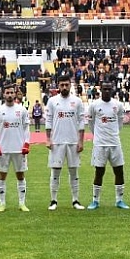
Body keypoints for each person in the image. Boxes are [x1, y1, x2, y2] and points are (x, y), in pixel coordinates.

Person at [86, 82, 129, 210]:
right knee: (99, 171)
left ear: (112, 90)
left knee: (119, 171)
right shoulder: (94, 105)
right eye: (104, 89)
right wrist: (98, 136)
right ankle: (95, 201)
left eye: (109, 89)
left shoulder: (118, 105)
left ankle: (119, 200)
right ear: (101, 90)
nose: (106, 91)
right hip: (100, 144)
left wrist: (114, 133)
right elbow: (91, 123)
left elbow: (120, 122)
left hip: (115, 143)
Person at [45, 74, 86, 210]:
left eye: (66, 85)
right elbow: (49, 120)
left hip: (73, 141)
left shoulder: (77, 101)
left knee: (73, 172)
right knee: (55, 171)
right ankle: (53, 201)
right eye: (61, 85)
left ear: (70, 85)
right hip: (57, 141)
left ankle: (75, 200)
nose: (64, 87)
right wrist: (48, 139)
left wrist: (81, 141)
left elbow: (81, 122)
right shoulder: (52, 101)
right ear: (58, 86)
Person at [0, 84, 31, 212]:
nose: (9, 95)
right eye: (7, 93)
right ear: (3, 94)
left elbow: (26, 128)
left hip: (19, 149)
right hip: (3, 149)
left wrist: (26, 143)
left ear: (15, 94)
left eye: (11, 93)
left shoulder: (22, 110)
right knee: (2, 176)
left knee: (20, 175)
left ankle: (22, 203)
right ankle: (2, 204)